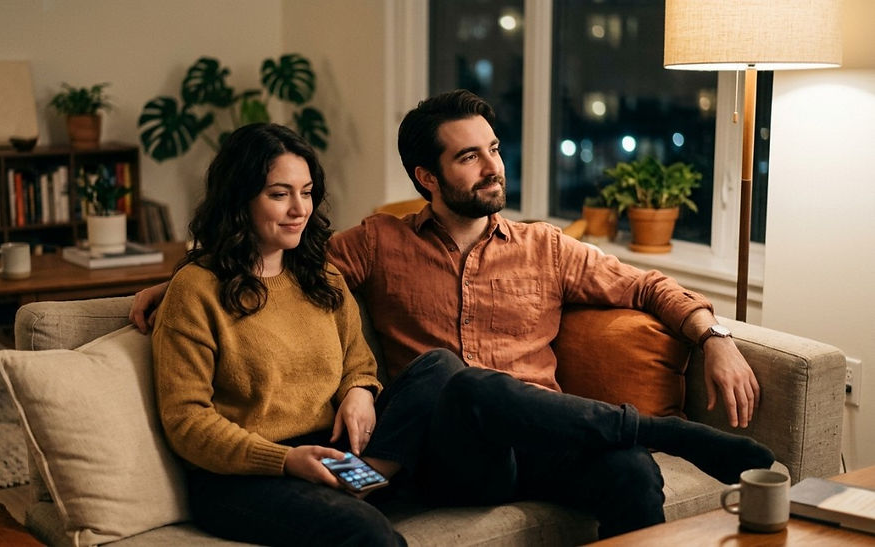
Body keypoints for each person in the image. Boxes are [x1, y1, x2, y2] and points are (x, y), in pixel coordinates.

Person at [136, 91, 774, 538]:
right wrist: (176, 282)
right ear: (427, 176)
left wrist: (712, 335)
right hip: (453, 455)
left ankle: (645, 443)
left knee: (630, 472)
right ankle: (665, 432)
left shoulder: (546, 247)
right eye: (468, 156)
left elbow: (649, 286)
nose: (492, 165)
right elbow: (265, 258)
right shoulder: (377, 244)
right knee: (452, 373)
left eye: (492, 148)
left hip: (545, 439)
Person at [152, 122, 463, 547]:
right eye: (280, 194)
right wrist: (285, 460)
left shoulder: (322, 275)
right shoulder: (195, 290)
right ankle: (361, 494)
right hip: (245, 476)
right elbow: (185, 421)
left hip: (334, 454)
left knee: (440, 368)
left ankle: (364, 481)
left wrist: (360, 390)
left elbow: (358, 361)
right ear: (239, 200)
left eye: (307, 191)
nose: (300, 208)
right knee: (370, 534)